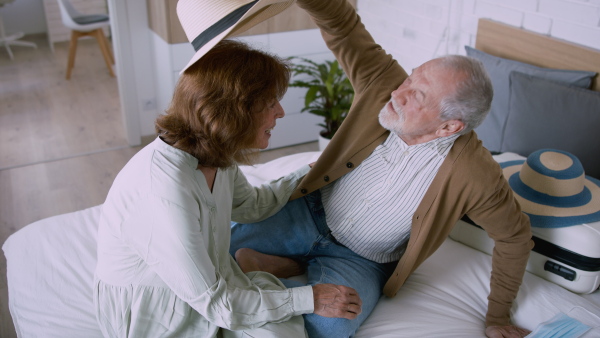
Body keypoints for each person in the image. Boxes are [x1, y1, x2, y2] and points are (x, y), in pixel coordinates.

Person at [230, 0, 534, 337]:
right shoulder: (384, 83)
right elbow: (344, 27)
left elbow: (515, 237)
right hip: (309, 210)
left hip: (362, 260)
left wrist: (498, 318)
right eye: (412, 77)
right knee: (214, 254)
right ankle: (294, 263)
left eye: (417, 95)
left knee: (330, 326)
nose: (398, 92)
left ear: (449, 127)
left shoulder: (477, 174)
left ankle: (295, 265)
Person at [93, 36, 364, 338]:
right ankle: (259, 272)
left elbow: (251, 205)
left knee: (285, 330)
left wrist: (308, 173)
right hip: (160, 313)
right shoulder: (164, 192)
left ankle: (256, 270)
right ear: (234, 110)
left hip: (209, 288)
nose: (280, 112)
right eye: (270, 102)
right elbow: (218, 304)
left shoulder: (214, 156)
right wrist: (310, 298)